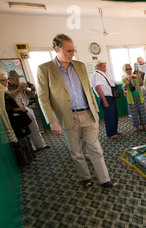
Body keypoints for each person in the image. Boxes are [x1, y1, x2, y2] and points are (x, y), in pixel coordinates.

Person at [36, 33, 117, 188]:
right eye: (68, 51)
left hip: (88, 113)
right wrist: (52, 121)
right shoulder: (44, 69)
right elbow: (43, 98)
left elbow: (88, 89)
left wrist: (95, 110)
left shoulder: (79, 66)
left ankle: (104, 179)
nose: (72, 54)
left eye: (73, 50)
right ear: (57, 49)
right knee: (76, 152)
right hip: (67, 117)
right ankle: (86, 177)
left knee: (95, 148)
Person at [7, 70, 49, 151]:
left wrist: (32, 90)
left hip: (26, 108)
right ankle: (31, 148)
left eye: (18, 78)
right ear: (10, 79)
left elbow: (31, 96)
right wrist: (19, 89)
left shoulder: (21, 85)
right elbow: (10, 98)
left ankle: (41, 145)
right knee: (25, 131)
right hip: (17, 111)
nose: (18, 80)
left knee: (34, 128)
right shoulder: (7, 88)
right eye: (15, 79)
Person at [0, 73, 36, 165]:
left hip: (22, 113)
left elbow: (31, 95)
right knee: (21, 141)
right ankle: (26, 160)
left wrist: (32, 90)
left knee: (26, 137)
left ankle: (31, 157)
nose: (5, 82)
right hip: (14, 119)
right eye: (4, 80)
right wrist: (19, 108)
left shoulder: (5, 91)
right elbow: (7, 107)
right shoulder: (4, 92)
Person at [90, 60, 122, 139]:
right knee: (109, 116)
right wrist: (104, 100)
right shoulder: (96, 74)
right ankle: (110, 133)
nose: (105, 67)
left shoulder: (102, 74)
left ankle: (114, 130)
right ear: (98, 66)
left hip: (110, 97)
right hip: (106, 98)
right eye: (103, 66)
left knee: (114, 115)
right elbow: (98, 87)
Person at [122, 63, 146, 132]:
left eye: (130, 69)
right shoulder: (124, 79)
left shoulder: (135, 77)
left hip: (139, 97)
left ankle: (144, 125)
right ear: (124, 70)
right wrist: (129, 80)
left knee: (142, 112)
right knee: (134, 113)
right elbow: (125, 87)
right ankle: (136, 126)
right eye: (127, 69)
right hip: (131, 99)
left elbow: (141, 84)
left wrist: (140, 78)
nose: (129, 70)